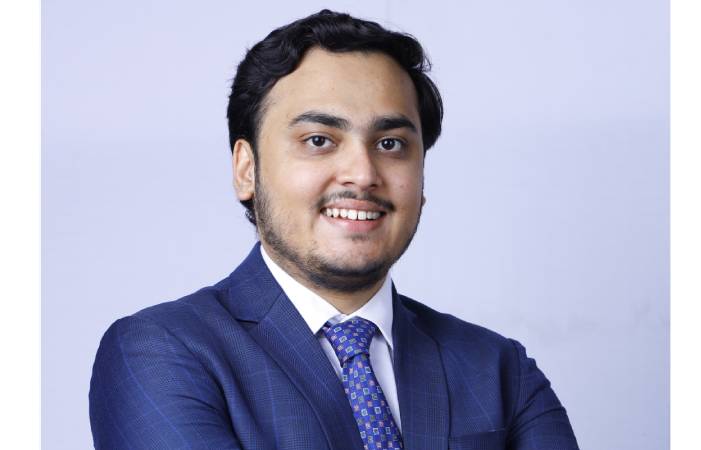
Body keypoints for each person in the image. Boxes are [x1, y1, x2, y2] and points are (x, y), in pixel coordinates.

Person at [89, 9, 579, 450]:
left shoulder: (498, 370)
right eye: (319, 140)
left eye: (390, 144)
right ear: (246, 169)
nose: (362, 174)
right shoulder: (161, 353)